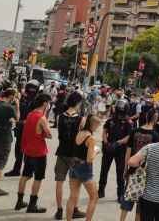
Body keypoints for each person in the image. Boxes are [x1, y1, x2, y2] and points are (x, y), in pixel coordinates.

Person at [120, 108, 159, 221]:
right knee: (141, 203)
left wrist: (125, 169)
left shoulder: (135, 131)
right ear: (156, 119)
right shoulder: (155, 135)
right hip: (145, 172)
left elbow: (128, 152)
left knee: (127, 198)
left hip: (132, 168)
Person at [15, 93, 52, 213]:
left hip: (28, 150)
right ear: (45, 103)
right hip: (39, 151)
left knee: (25, 176)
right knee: (38, 178)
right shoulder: (41, 117)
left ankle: (19, 201)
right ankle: (32, 204)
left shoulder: (30, 114)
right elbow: (49, 134)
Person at [54, 91, 87, 220]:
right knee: (75, 185)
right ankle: (74, 209)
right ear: (78, 103)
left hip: (61, 152)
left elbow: (60, 134)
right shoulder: (81, 119)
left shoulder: (59, 117)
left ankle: (59, 210)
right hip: (74, 154)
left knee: (59, 182)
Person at [66, 115, 102, 221]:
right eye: (97, 126)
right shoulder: (91, 138)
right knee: (94, 197)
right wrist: (96, 151)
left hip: (73, 165)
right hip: (84, 168)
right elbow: (89, 159)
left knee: (73, 196)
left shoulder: (80, 132)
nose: (97, 128)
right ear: (93, 124)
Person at [98, 98, 133, 200]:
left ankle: (120, 193)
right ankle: (101, 190)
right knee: (104, 170)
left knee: (120, 172)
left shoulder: (128, 122)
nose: (119, 112)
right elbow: (105, 130)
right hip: (108, 148)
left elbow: (129, 137)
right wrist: (105, 142)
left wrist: (118, 143)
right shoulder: (111, 120)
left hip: (120, 150)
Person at [6, 80, 40, 177]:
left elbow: (34, 118)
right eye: (29, 88)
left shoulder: (37, 101)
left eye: (32, 89)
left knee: (28, 152)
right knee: (18, 150)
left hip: (29, 129)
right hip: (20, 128)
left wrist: (20, 122)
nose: (30, 91)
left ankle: (28, 170)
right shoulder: (24, 99)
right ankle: (17, 169)